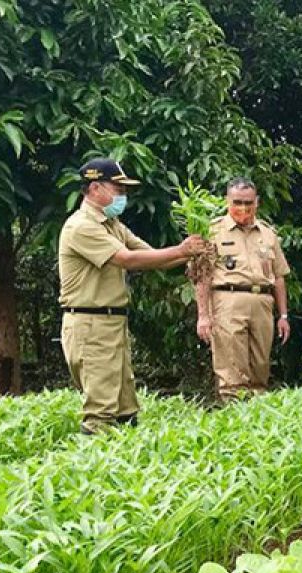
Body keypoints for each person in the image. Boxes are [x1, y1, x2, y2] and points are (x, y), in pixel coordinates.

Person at [58, 158, 201, 434]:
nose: (123, 195)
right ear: (96, 188)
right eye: (118, 188)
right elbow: (128, 259)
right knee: (100, 413)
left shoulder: (112, 224)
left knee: (126, 408)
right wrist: (183, 251)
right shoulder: (82, 226)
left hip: (111, 323)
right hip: (91, 325)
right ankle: (91, 472)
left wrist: (192, 258)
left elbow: (148, 255)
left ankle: (127, 469)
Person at [197, 178, 291, 400]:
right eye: (237, 202)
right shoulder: (212, 231)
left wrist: (283, 315)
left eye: (248, 202)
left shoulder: (268, 233)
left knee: (261, 365)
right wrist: (203, 315)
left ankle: (255, 418)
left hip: (262, 301)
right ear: (227, 201)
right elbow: (201, 277)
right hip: (227, 299)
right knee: (231, 368)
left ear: (257, 202)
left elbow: (278, 276)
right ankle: (233, 414)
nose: (243, 208)